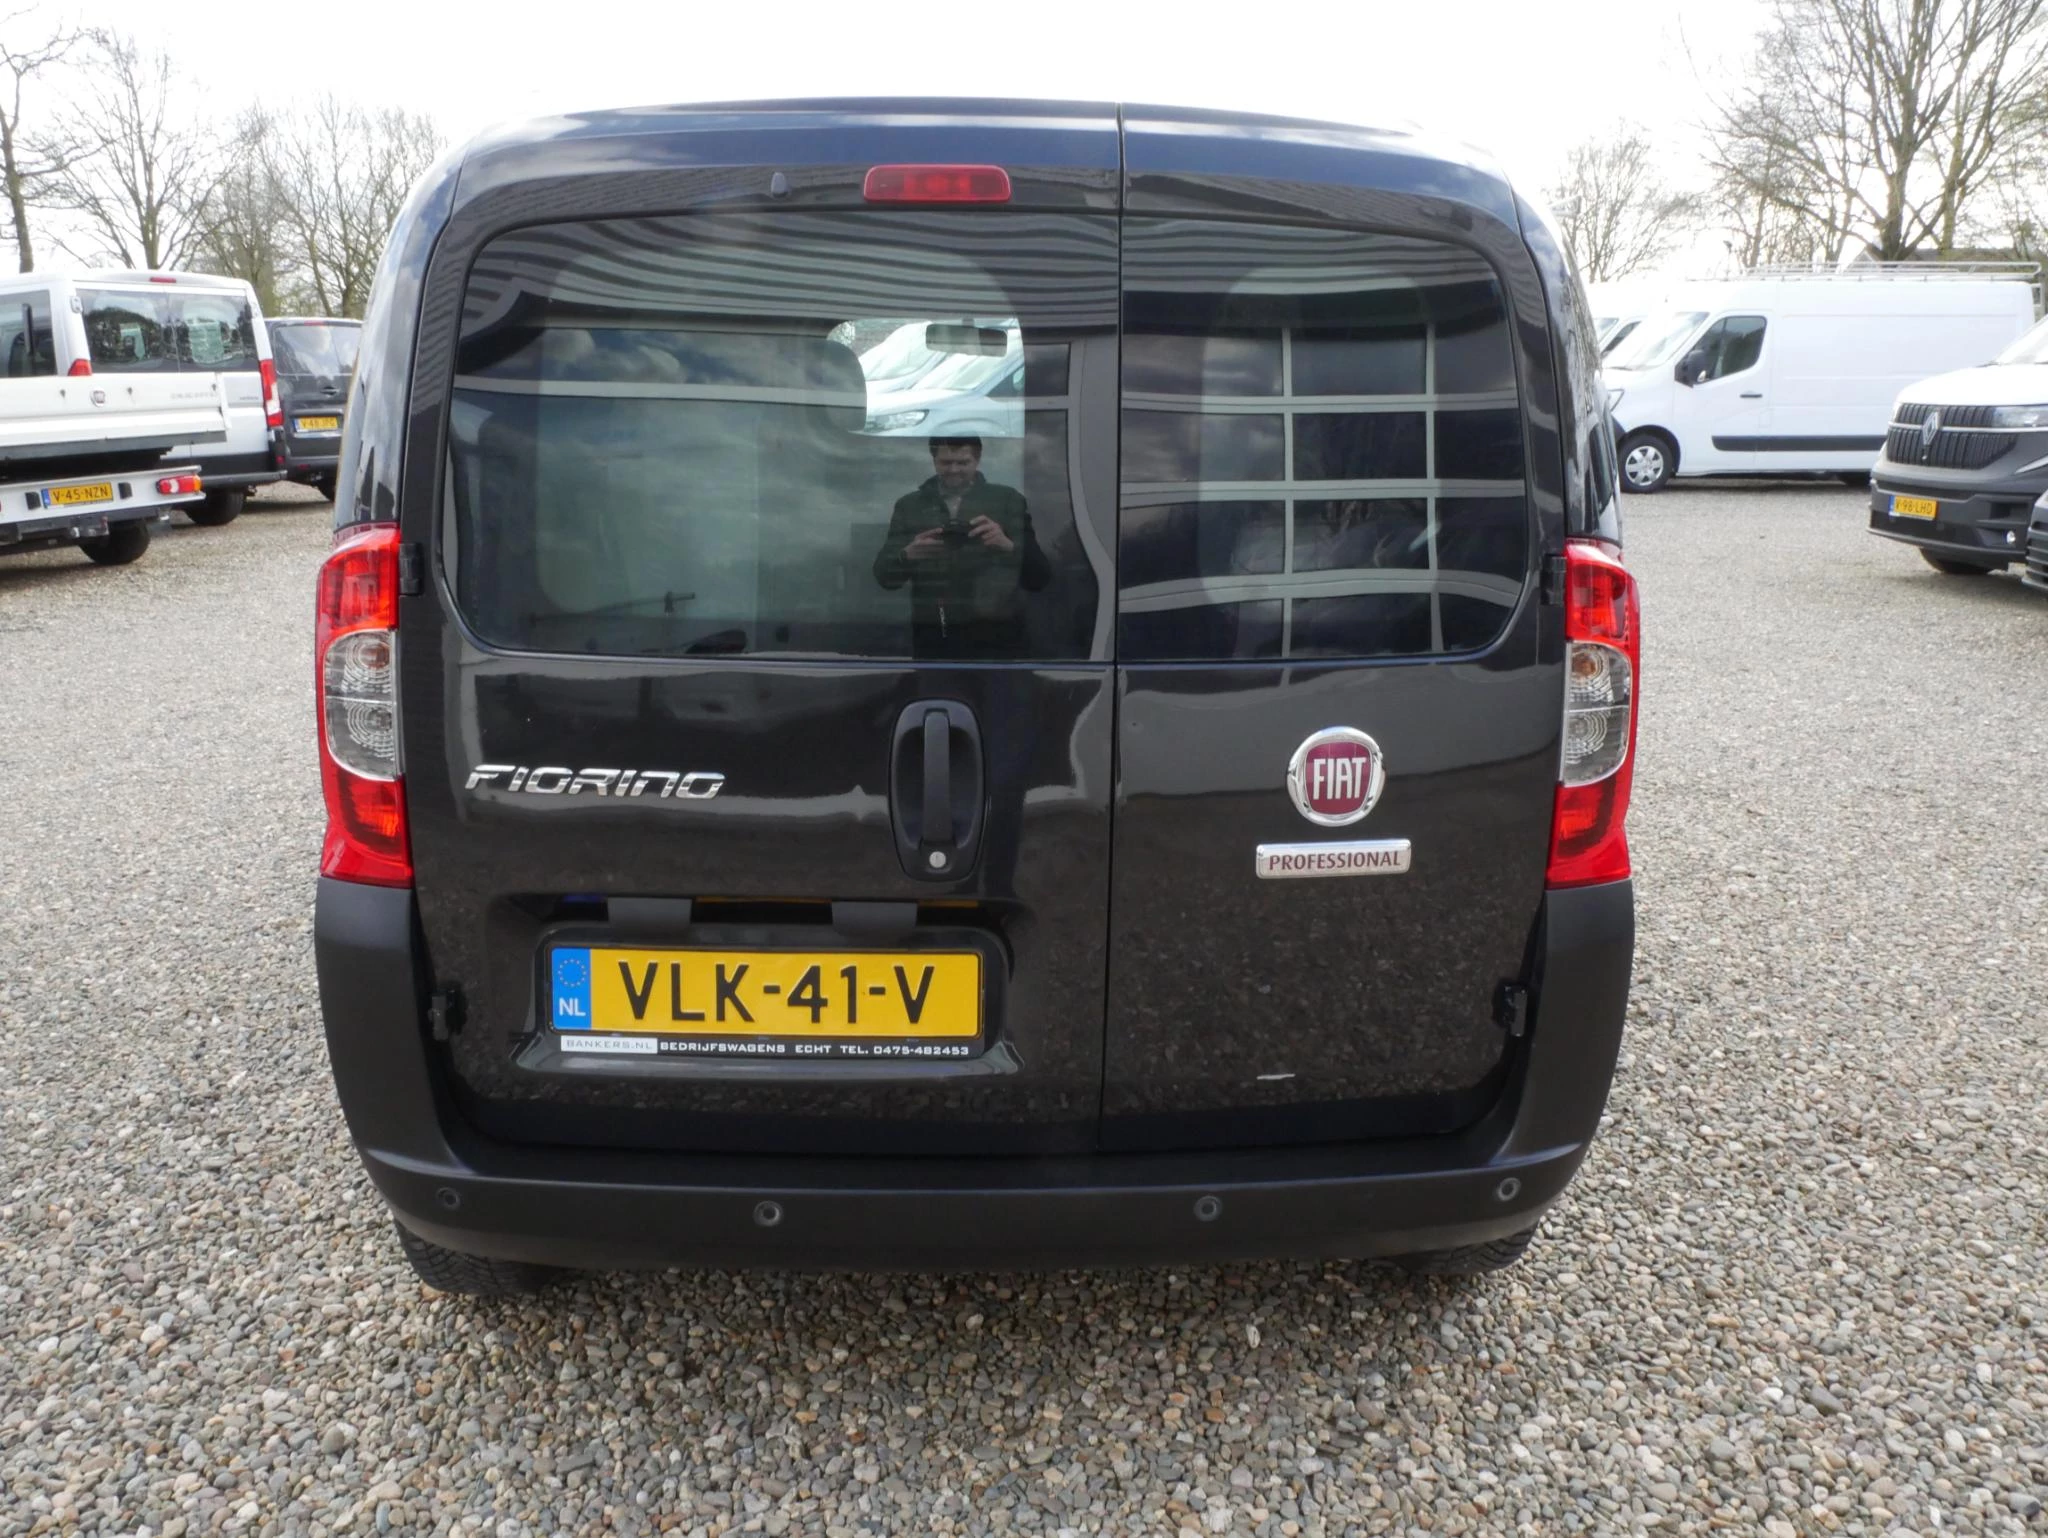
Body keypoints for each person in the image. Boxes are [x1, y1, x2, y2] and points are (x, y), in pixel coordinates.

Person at [873, 436, 1050, 659]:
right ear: (934, 461)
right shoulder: (909, 506)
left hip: (1000, 640)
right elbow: (884, 577)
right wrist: (907, 555)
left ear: (977, 460)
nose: (954, 469)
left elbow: (1039, 578)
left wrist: (1007, 546)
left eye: (962, 462)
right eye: (946, 463)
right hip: (933, 639)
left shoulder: (1008, 501)